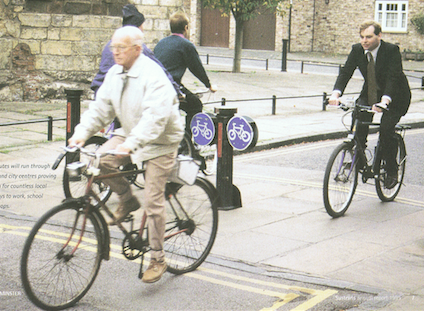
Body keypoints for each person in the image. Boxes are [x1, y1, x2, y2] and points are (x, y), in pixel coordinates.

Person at [68, 26, 184, 283]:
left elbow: (155, 119)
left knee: (153, 201)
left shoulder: (153, 75)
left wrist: (131, 145)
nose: (116, 52)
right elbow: (101, 108)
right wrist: (81, 134)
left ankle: (157, 258)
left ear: (137, 49)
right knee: (100, 160)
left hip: (160, 141)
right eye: (113, 47)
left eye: (121, 47)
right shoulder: (115, 73)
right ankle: (127, 199)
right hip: (131, 133)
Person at [328, 21, 411, 189]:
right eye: (362, 37)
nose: (364, 41)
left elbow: (393, 78)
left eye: (369, 37)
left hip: (396, 95)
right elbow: (346, 72)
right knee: (357, 121)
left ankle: (391, 169)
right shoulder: (357, 50)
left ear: (379, 36)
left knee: (386, 130)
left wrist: (385, 101)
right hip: (371, 92)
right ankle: (359, 158)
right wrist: (335, 93)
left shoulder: (391, 50)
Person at [154, 11, 216, 132]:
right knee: (195, 105)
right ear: (186, 28)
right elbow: (196, 67)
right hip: (171, 87)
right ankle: (187, 142)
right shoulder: (186, 45)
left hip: (155, 87)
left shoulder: (160, 44)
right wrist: (209, 85)